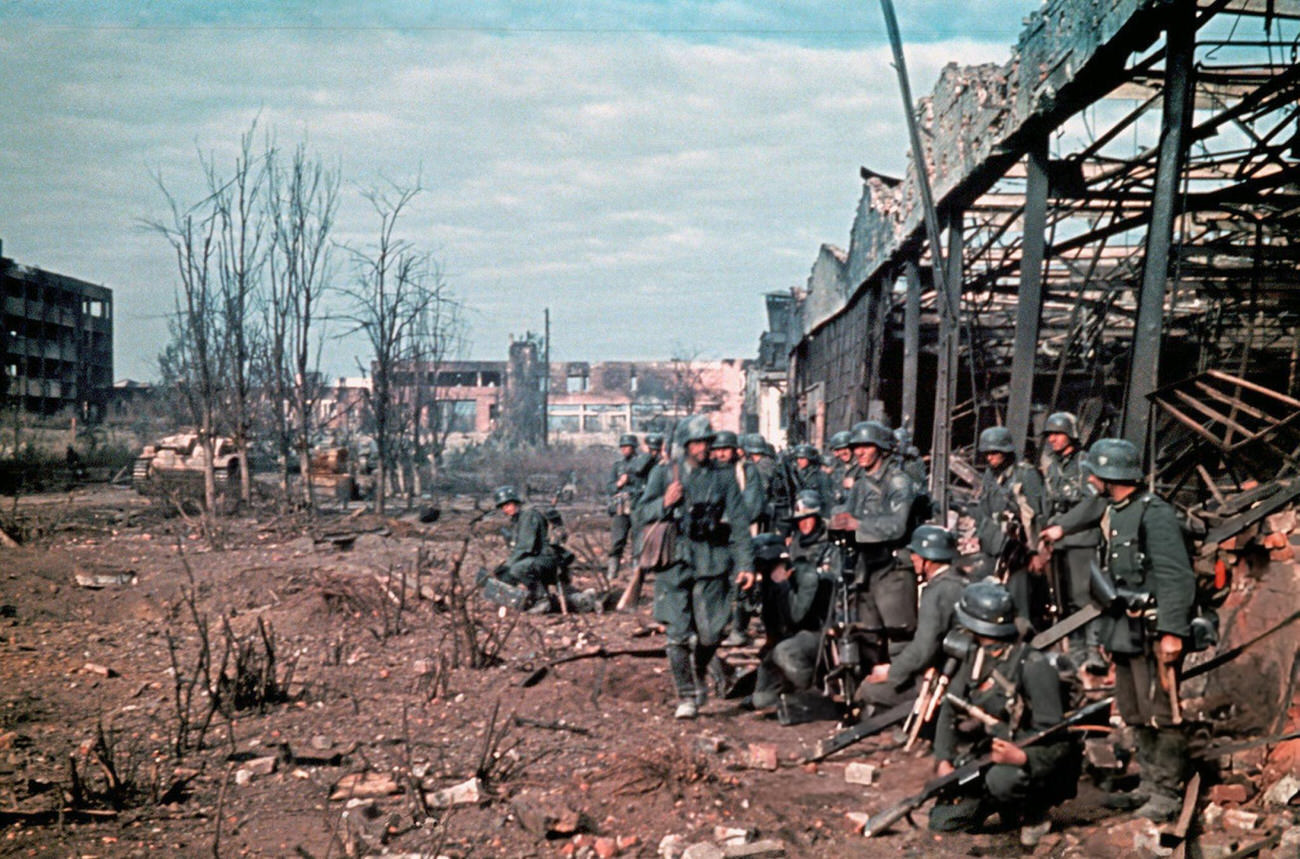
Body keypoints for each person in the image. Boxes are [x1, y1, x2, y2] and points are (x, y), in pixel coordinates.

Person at [1082, 437, 1195, 822]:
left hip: (1153, 629)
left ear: (1107, 474)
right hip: (1123, 630)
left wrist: (1173, 631)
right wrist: (1105, 637)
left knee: (1163, 710)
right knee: (1132, 709)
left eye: (1094, 472)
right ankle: (1148, 783)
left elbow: (1175, 575)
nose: (1091, 479)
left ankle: (1166, 791)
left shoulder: (1154, 513)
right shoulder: (1113, 511)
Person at [928, 581, 1080, 847]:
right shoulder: (972, 655)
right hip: (987, 756)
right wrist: (944, 759)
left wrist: (1023, 757)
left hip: (1026, 765)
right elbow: (949, 708)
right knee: (944, 821)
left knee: (1004, 780)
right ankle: (997, 806)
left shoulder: (1033, 665)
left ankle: (1034, 812)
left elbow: (1058, 740)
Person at [636, 415, 754, 719]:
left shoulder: (724, 476)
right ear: (685, 445)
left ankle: (700, 669)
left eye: (706, 442)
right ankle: (686, 696)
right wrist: (664, 502)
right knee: (676, 634)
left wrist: (745, 564)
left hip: (712, 560)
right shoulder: (664, 474)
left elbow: (740, 521)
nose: (703, 448)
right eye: (697, 442)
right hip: (674, 562)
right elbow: (641, 513)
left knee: (712, 634)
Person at [834, 420, 919, 664]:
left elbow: (898, 525)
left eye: (866, 446)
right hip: (865, 567)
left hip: (892, 569)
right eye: (856, 446)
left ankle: (900, 694)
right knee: (867, 636)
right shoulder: (861, 483)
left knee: (898, 637)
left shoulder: (898, 481)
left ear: (881, 448)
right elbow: (849, 518)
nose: (859, 452)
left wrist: (858, 525)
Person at [858, 524, 966, 714]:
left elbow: (925, 647)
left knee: (869, 689)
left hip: (945, 677)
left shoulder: (938, 592)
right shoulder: (957, 581)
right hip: (958, 669)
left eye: (917, 553)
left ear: (929, 558)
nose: (912, 557)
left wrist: (891, 672)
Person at [743, 493, 837, 709]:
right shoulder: (794, 546)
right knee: (762, 698)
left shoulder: (832, 547)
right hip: (798, 624)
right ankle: (787, 693)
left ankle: (813, 694)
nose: (803, 524)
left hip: (822, 627)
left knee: (785, 653)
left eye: (808, 518)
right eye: (799, 520)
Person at [1037, 413, 1107, 673]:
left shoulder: (1085, 463)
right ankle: (1076, 653)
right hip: (1059, 542)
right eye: (1049, 435)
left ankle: (1093, 652)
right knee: (1064, 600)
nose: (1052, 439)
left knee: (1084, 597)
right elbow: (1047, 502)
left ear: (1071, 435)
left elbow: (1094, 503)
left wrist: (1063, 528)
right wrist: (1046, 533)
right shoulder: (1053, 466)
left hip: (1080, 539)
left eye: (1057, 433)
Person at [972, 426, 1048, 628]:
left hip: (1018, 550)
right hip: (993, 546)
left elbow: (1036, 516)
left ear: (1006, 451)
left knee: (1019, 603)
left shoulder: (1026, 474)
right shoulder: (990, 475)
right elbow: (984, 510)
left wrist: (1034, 552)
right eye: (987, 453)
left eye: (995, 452)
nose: (990, 457)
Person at [714, 430, 767, 647]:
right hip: (716, 538)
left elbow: (752, 505)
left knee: (743, 584)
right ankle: (720, 627)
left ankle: (739, 630)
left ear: (735, 450)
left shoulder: (747, 471)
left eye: (725, 449)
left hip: (740, 536)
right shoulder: (710, 473)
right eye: (717, 450)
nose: (721, 454)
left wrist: (726, 519)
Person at [483, 485, 559, 609]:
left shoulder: (529, 516)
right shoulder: (518, 519)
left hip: (546, 559)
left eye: (507, 505)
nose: (505, 509)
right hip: (535, 559)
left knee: (517, 569)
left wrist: (508, 564)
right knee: (504, 574)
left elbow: (525, 548)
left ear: (515, 502)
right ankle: (522, 600)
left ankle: (542, 599)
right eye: (502, 507)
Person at [607, 433, 651, 583]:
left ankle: (636, 575)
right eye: (623, 447)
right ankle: (612, 574)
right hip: (620, 507)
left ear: (634, 448)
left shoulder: (643, 464)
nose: (625, 449)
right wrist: (619, 484)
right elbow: (610, 488)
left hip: (637, 506)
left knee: (638, 541)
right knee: (617, 541)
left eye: (628, 447)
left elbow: (648, 485)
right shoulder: (617, 466)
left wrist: (631, 481)